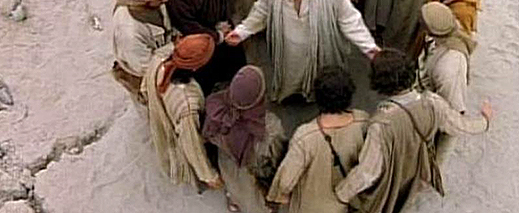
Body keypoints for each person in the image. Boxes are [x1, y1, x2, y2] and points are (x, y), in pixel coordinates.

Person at [335, 49, 492, 213]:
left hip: (393, 179)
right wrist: (484, 121)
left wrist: (341, 194)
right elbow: (459, 126)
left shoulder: (381, 125)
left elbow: (368, 172)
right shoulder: (433, 103)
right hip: (419, 171)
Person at [225, 0, 379, 103]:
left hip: (319, 45)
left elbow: (350, 19)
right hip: (288, 47)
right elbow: (261, 12)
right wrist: (242, 32)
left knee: (318, 75)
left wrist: (370, 48)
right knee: (290, 74)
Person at [267, 67, 369, 213]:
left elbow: (285, 182)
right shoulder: (363, 121)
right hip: (350, 202)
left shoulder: (305, 136)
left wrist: (277, 198)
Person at [141, 33, 222, 190]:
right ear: (195, 66)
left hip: (160, 109)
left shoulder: (160, 58)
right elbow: (191, 144)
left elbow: (145, 88)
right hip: (176, 128)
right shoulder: (187, 103)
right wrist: (209, 176)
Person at [163, 0, 246, 94]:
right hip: (200, 38)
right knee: (206, 70)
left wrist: (224, 21)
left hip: (221, 26)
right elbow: (186, 24)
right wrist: (216, 36)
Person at [202, 65, 286, 213]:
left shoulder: (217, 107)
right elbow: (277, 159)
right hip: (254, 172)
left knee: (234, 185)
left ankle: (234, 202)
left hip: (227, 163)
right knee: (254, 199)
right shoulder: (269, 130)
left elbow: (209, 136)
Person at [417, 2, 477, 164]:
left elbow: (453, 117)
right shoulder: (441, 35)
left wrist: (437, 158)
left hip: (438, 120)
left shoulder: (450, 67)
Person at [112, 0, 174, 103]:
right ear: (146, 1)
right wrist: (173, 48)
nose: (166, 0)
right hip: (143, 77)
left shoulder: (152, 4)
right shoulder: (129, 32)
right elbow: (144, 66)